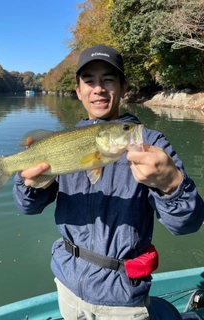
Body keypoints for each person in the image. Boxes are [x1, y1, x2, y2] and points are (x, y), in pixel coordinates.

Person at [13, 44, 204, 320]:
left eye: (108, 80)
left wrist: (172, 184)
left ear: (123, 86)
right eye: (89, 81)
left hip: (122, 298)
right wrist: (29, 185)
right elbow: (27, 208)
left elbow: (188, 224)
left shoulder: (150, 145)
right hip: (66, 285)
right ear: (78, 91)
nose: (98, 89)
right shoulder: (63, 141)